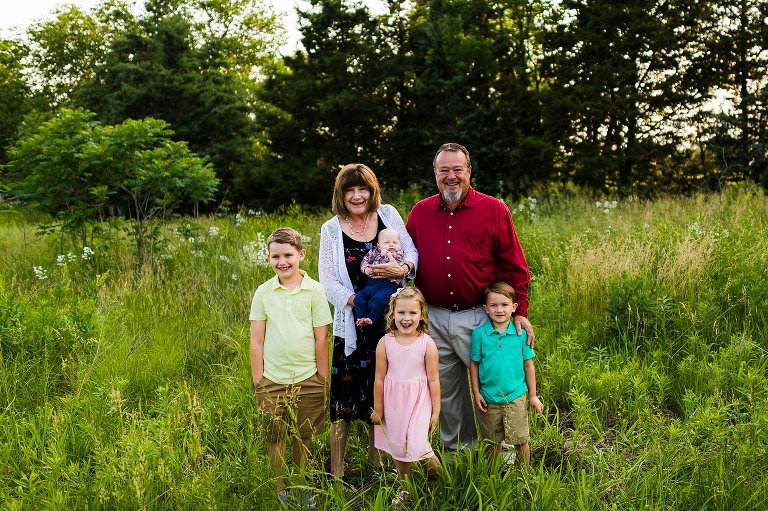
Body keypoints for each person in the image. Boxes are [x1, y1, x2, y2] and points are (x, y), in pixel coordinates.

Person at [406, 142, 534, 453]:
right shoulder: (420, 212)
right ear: (435, 174)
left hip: (481, 317)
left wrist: (520, 311)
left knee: (493, 386)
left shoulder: (494, 210)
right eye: (444, 170)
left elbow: (513, 264)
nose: (451, 176)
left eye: (457, 169)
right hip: (434, 316)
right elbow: (407, 260)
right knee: (449, 392)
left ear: (469, 172)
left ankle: (502, 452)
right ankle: (459, 453)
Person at [319, 163, 418, 480]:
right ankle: (336, 470)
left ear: (372, 191)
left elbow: (411, 250)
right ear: (341, 194)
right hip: (353, 327)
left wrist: (401, 271)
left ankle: (379, 465)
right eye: (350, 190)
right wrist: (357, 303)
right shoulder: (331, 229)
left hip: (390, 324)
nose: (357, 196)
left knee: (385, 396)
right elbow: (329, 281)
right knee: (343, 405)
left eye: (363, 189)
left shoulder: (388, 214)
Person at [249, 227, 333, 505]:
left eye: (288, 255)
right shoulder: (264, 292)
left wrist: (322, 376)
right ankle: (278, 488)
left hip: (308, 377)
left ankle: (301, 484)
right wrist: (258, 378)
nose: (282, 262)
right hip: (272, 379)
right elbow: (257, 340)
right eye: (275, 256)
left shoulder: (315, 291)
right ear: (269, 258)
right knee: (275, 436)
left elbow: (322, 337)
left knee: (304, 435)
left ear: (301, 254)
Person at [372, 287, 441, 506]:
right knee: (399, 446)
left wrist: (436, 410)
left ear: (422, 315)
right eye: (401, 312)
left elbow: (433, 380)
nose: (406, 318)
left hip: (419, 401)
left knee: (419, 445)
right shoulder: (385, 342)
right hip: (394, 402)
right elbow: (379, 378)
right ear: (392, 313)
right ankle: (405, 489)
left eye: (412, 313)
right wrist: (379, 409)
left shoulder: (426, 343)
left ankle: (437, 480)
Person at [470, 281, 543, 467]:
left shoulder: (521, 334)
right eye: (494, 305)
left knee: (520, 440)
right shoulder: (479, 334)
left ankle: (524, 476)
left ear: (514, 307)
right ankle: (493, 477)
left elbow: (528, 365)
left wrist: (533, 396)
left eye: (504, 305)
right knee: (492, 443)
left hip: (515, 396)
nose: (499, 309)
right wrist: (476, 392)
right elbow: (474, 364)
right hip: (489, 398)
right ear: (486, 309)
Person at [354, 228, 406, 326]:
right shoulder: (373, 251)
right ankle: (361, 317)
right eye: (387, 242)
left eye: (395, 242)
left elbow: (399, 265)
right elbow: (364, 261)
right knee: (358, 298)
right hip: (370, 285)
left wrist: (386, 254)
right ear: (378, 245)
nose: (391, 244)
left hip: (388, 286)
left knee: (379, 299)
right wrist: (366, 269)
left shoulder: (399, 254)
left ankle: (371, 318)